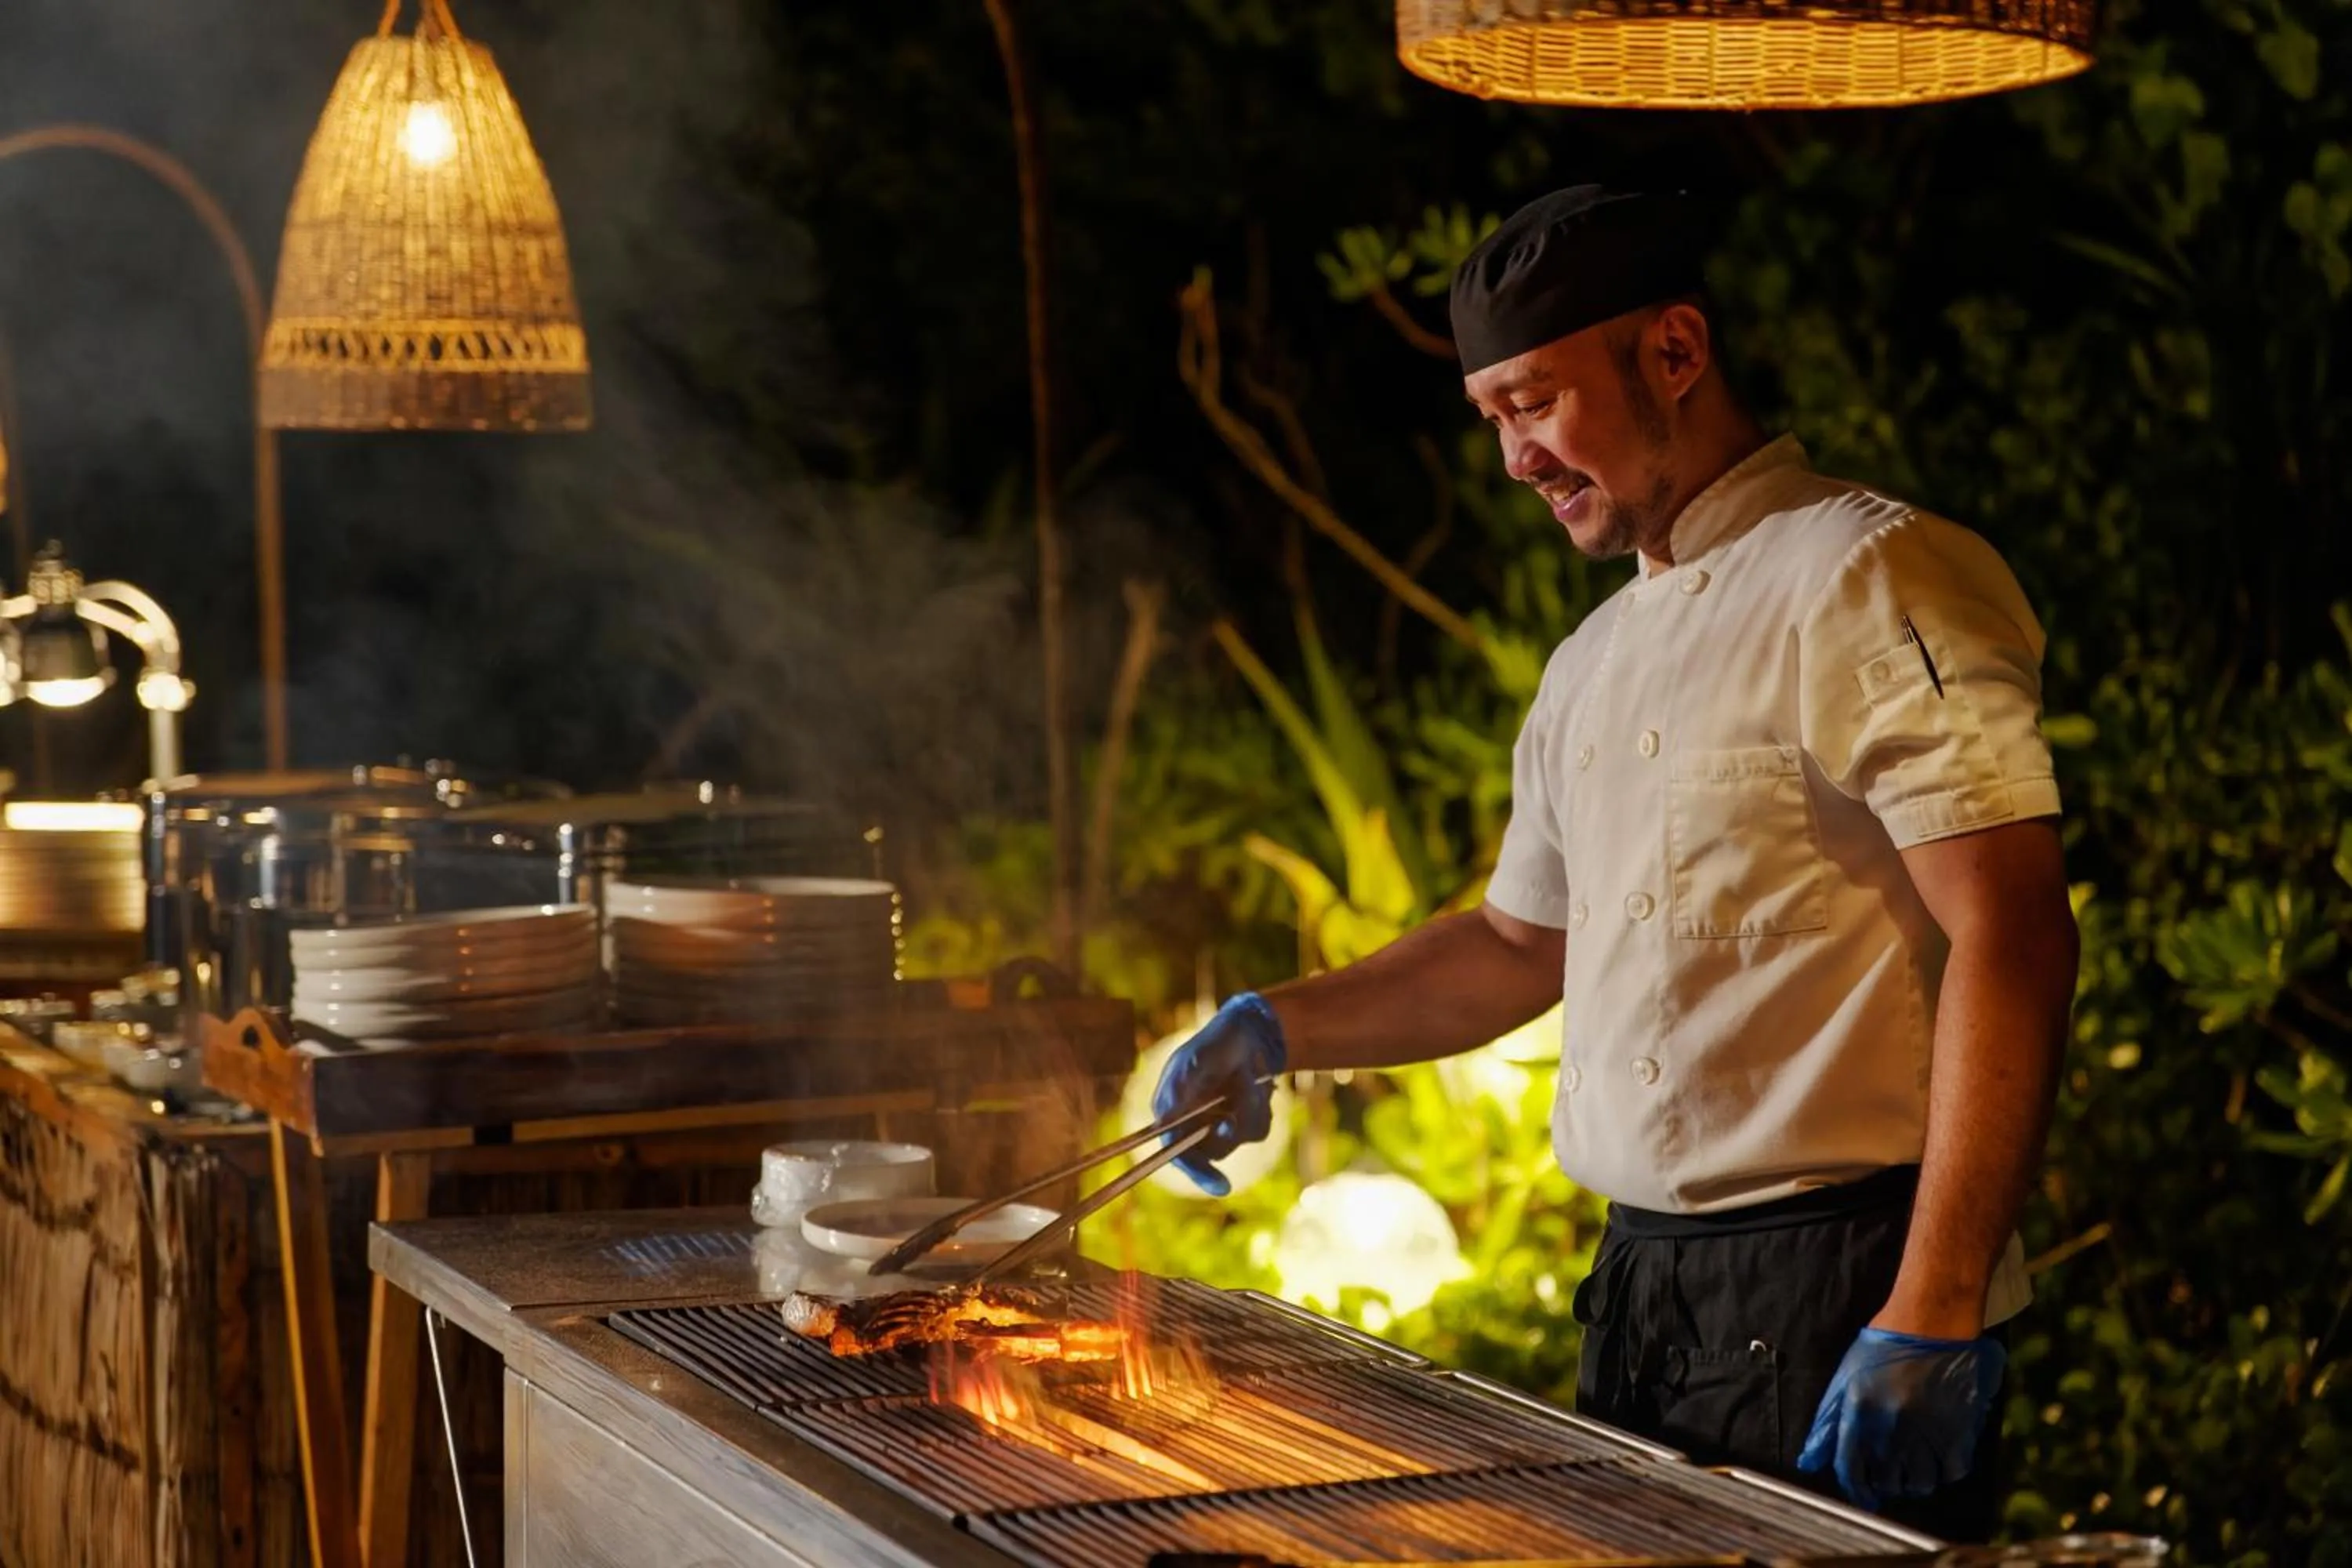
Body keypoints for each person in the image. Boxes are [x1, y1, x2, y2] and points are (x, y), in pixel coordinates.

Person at [1152, 183, 2080, 1543]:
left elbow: (2015, 930)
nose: (1515, 456)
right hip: (1640, 1288)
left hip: (1841, 1281)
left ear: (1675, 353)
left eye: (1533, 400)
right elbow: (1523, 945)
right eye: (1491, 420)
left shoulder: (1870, 572)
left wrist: (1931, 1306)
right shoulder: (1591, 662)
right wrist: (1279, 1027)